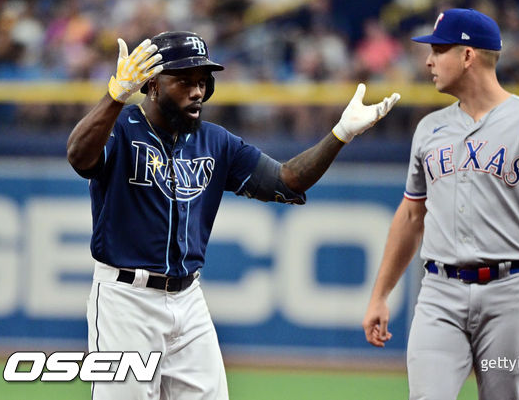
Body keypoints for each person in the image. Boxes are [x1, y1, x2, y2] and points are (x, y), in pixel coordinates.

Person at [66, 30, 400, 399]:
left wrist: (339, 134)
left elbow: (287, 180)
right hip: (127, 300)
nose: (197, 91)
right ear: (153, 86)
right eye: (183, 81)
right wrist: (115, 96)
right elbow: (79, 156)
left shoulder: (215, 141)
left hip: (188, 299)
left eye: (202, 82)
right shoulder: (122, 130)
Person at [361, 9, 519, 400]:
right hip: (439, 292)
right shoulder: (428, 129)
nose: (429, 61)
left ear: (468, 56)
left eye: (438, 50)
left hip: (510, 294)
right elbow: (410, 215)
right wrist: (380, 294)